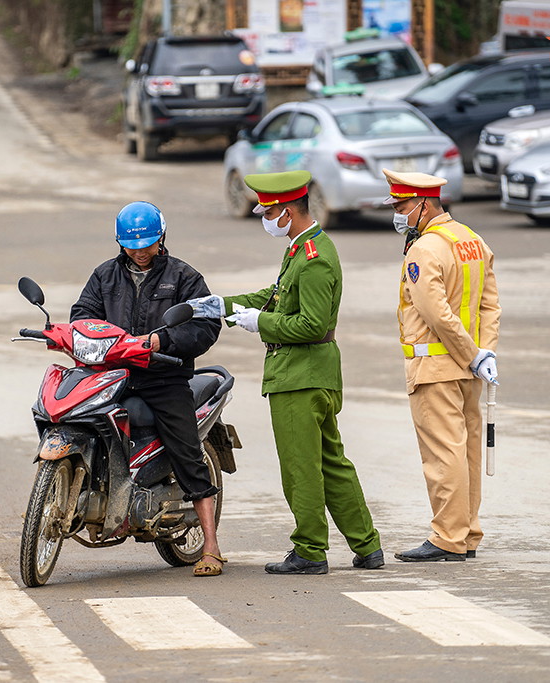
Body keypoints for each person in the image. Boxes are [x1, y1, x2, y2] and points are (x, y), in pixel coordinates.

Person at [189, 170, 383, 575]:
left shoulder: (314, 260)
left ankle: (310, 550)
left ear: (288, 211)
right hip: (314, 373)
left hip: (301, 374)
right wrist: (221, 305)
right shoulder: (303, 247)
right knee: (331, 463)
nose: (264, 218)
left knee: (301, 468)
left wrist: (259, 323)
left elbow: (311, 324)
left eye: (269, 211)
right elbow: (273, 297)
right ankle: (367, 545)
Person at [70, 201, 226, 577]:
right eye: (131, 245)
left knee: (187, 452)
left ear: (162, 238)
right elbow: (83, 314)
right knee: (75, 412)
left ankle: (211, 547)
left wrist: (163, 341)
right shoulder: (104, 276)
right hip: (114, 372)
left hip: (164, 376)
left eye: (147, 244)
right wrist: (82, 335)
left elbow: (206, 326)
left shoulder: (184, 276)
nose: (139, 252)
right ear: (120, 243)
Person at [384, 169, 501, 562]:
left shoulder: (425, 249)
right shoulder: (471, 239)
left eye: (401, 206)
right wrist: (485, 354)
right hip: (471, 369)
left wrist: (471, 354)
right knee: (466, 451)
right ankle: (467, 534)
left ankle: (447, 538)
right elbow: (489, 305)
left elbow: (437, 314)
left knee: (442, 456)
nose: (398, 215)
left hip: (434, 366)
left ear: (423, 203)